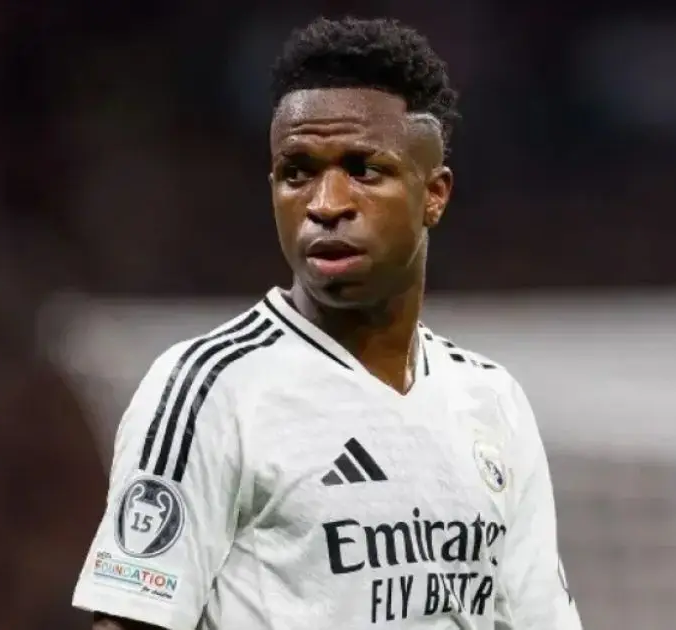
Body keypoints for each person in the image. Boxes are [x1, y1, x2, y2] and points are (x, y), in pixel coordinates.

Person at [72, 16, 582, 630]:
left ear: (434, 194)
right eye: (298, 172)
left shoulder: (492, 401)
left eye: (363, 169)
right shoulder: (209, 389)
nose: (325, 204)